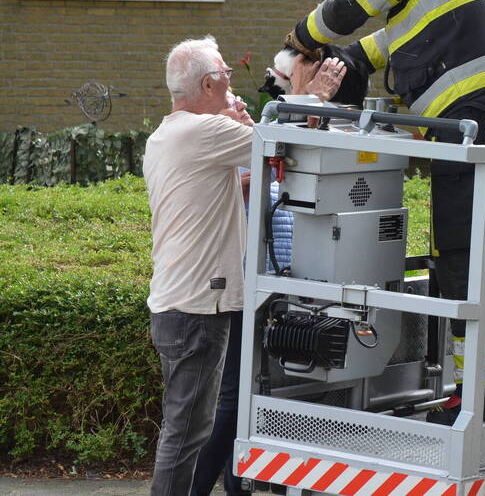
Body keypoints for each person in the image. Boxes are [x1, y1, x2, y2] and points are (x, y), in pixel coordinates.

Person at [285, 0, 485, 425]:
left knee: (469, 263)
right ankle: (484, 387)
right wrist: (326, 66)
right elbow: (376, 47)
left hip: (476, 132)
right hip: (473, 133)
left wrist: (300, 40)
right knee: (465, 260)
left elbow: (350, 4)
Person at [190, 63, 346, 496]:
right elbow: (265, 156)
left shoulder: (248, 147)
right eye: (232, 102)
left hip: (267, 288)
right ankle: (195, 487)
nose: (242, 103)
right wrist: (305, 95)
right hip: (237, 290)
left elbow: (280, 147)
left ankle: (235, 486)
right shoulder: (224, 158)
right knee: (232, 400)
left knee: (252, 394)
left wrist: (303, 95)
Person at [143, 36, 254, 495]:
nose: (232, 79)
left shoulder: (167, 134)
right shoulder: (205, 132)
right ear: (209, 82)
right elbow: (283, 144)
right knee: (186, 434)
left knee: (188, 430)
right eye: (227, 73)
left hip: (177, 306)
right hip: (196, 311)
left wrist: (236, 124)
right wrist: (314, 96)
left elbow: (236, 187)